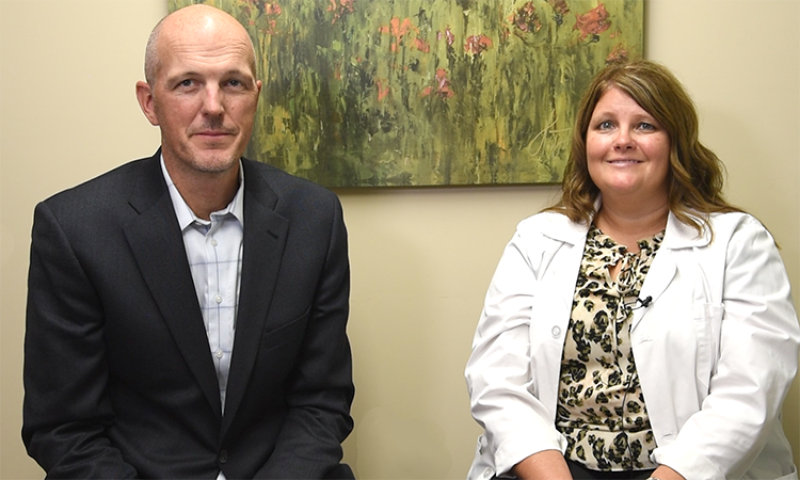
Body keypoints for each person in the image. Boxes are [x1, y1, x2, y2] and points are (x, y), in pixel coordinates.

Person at [23, 5, 355, 480]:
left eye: (234, 83)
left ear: (255, 96)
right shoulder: (74, 230)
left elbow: (322, 402)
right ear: (149, 101)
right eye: (187, 83)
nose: (214, 106)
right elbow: (64, 430)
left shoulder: (314, 219)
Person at [465, 60, 800, 480]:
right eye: (605, 125)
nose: (622, 140)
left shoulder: (738, 242)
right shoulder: (537, 239)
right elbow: (496, 379)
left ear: (675, 141)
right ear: (585, 142)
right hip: (552, 468)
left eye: (644, 125)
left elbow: (751, 391)